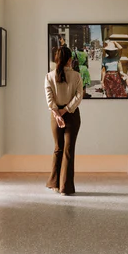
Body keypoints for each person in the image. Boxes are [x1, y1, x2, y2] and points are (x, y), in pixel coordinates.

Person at [44, 46, 83, 194]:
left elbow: (49, 100)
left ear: (57, 59)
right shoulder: (76, 76)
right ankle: (65, 187)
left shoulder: (49, 76)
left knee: (58, 148)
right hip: (72, 115)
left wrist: (57, 114)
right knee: (68, 150)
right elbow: (78, 97)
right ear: (69, 60)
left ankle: (54, 184)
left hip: (55, 116)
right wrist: (65, 110)